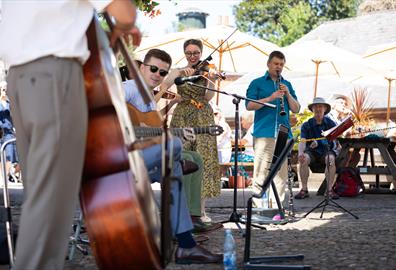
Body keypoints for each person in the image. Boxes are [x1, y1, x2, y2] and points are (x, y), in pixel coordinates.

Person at [0, 1, 147, 269]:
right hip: (54, 75)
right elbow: (123, 9)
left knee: (40, 196)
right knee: (50, 203)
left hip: (19, 78)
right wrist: (127, 25)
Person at [123, 48, 222, 263]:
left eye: (162, 72)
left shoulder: (149, 102)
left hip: (139, 164)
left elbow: (148, 133)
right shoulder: (129, 88)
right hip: (119, 162)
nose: (157, 75)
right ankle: (176, 158)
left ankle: (186, 245)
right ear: (141, 68)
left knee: (173, 168)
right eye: (153, 69)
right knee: (174, 146)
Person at [165, 39, 221, 223]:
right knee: (182, 159)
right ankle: (180, 210)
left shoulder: (206, 72)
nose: (192, 56)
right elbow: (164, 85)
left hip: (203, 116)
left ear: (201, 53)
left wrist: (212, 81)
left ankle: (200, 211)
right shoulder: (178, 71)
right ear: (184, 53)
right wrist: (180, 74)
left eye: (196, 53)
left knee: (203, 160)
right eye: (188, 53)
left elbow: (208, 96)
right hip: (182, 116)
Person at [245, 51, 300, 216]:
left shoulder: (287, 84)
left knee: (281, 173)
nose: (279, 67)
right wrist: (270, 97)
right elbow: (249, 105)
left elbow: (296, 109)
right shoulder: (257, 83)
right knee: (261, 171)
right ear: (269, 64)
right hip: (264, 133)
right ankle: (259, 208)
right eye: (276, 64)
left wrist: (287, 94)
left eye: (281, 64)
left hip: (283, 133)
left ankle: (277, 208)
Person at [295, 97, 340, 200]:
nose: (318, 109)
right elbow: (302, 141)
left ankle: (329, 191)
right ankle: (304, 190)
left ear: (325, 109)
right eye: (316, 106)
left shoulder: (330, 123)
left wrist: (320, 142)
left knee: (331, 160)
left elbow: (334, 140)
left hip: (326, 151)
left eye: (320, 106)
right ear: (312, 109)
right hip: (312, 153)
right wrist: (300, 153)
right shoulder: (307, 125)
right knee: (303, 159)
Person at [0, 81, 19, 180]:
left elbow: (14, 116)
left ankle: (6, 177)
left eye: (5, 87)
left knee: (9, 156)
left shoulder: (9, 102)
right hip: (0, 131)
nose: (4, 88)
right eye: (2, 87)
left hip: (8, 132)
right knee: (0, 158)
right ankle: (4, 177)